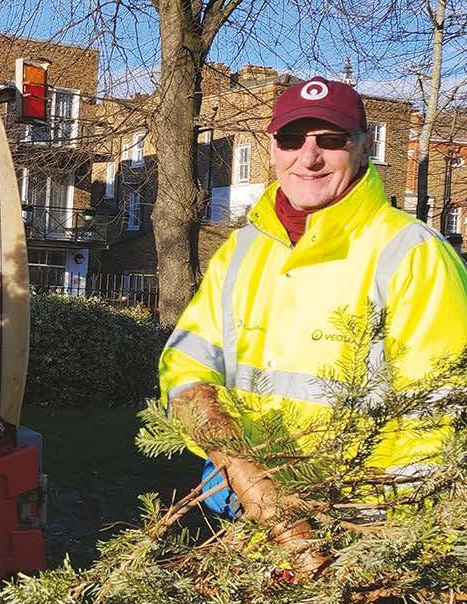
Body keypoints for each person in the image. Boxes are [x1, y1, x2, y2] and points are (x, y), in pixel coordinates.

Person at [159, 75, 467, 536]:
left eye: (331, 139)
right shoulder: (241, 249)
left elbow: (440, 413)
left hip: (353, 529)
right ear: (272, 149)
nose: (308, 157)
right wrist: (235, 461)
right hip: (246, 517)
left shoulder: (414, 254)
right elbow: (186, 362)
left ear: (363, 148)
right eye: (291, 139)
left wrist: (377, 540)